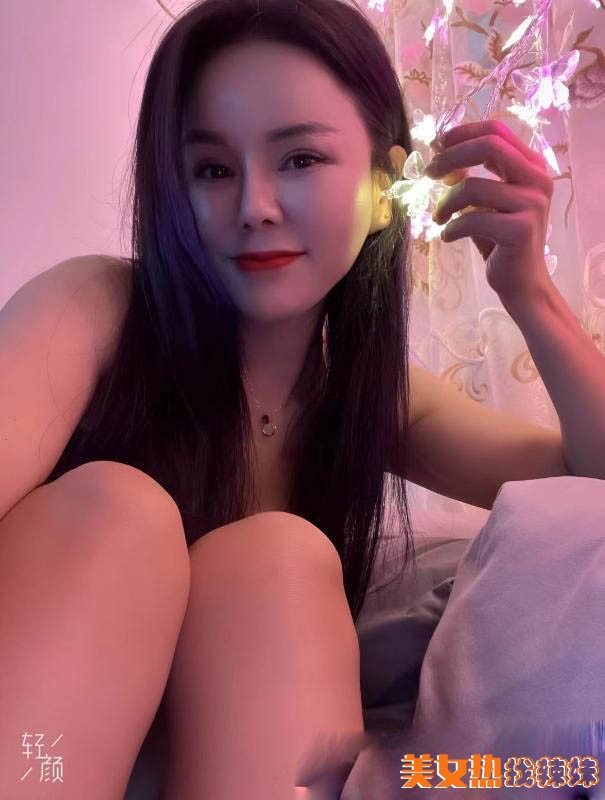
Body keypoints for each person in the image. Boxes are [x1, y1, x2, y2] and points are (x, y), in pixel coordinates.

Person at [0, 1, 416, 798]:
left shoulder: (370, 398)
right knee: (120, 512)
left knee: (281, 562)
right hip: (35, 752)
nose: (254, 206)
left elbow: (579, 472)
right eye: (213, 170)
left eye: (299, 158)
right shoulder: (98, 309)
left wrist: (529, 294)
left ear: (383, 187)